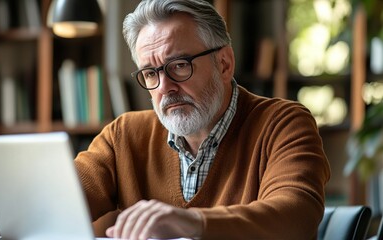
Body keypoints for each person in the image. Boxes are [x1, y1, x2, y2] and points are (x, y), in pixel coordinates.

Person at [74, 0, 331, 239]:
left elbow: (297, 217)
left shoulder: (283, 124)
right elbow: (59, 202)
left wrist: (192, 222)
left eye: (179, 65)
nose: (165, 87)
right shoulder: (124, 136)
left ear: (224, 64)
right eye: (151, 73)